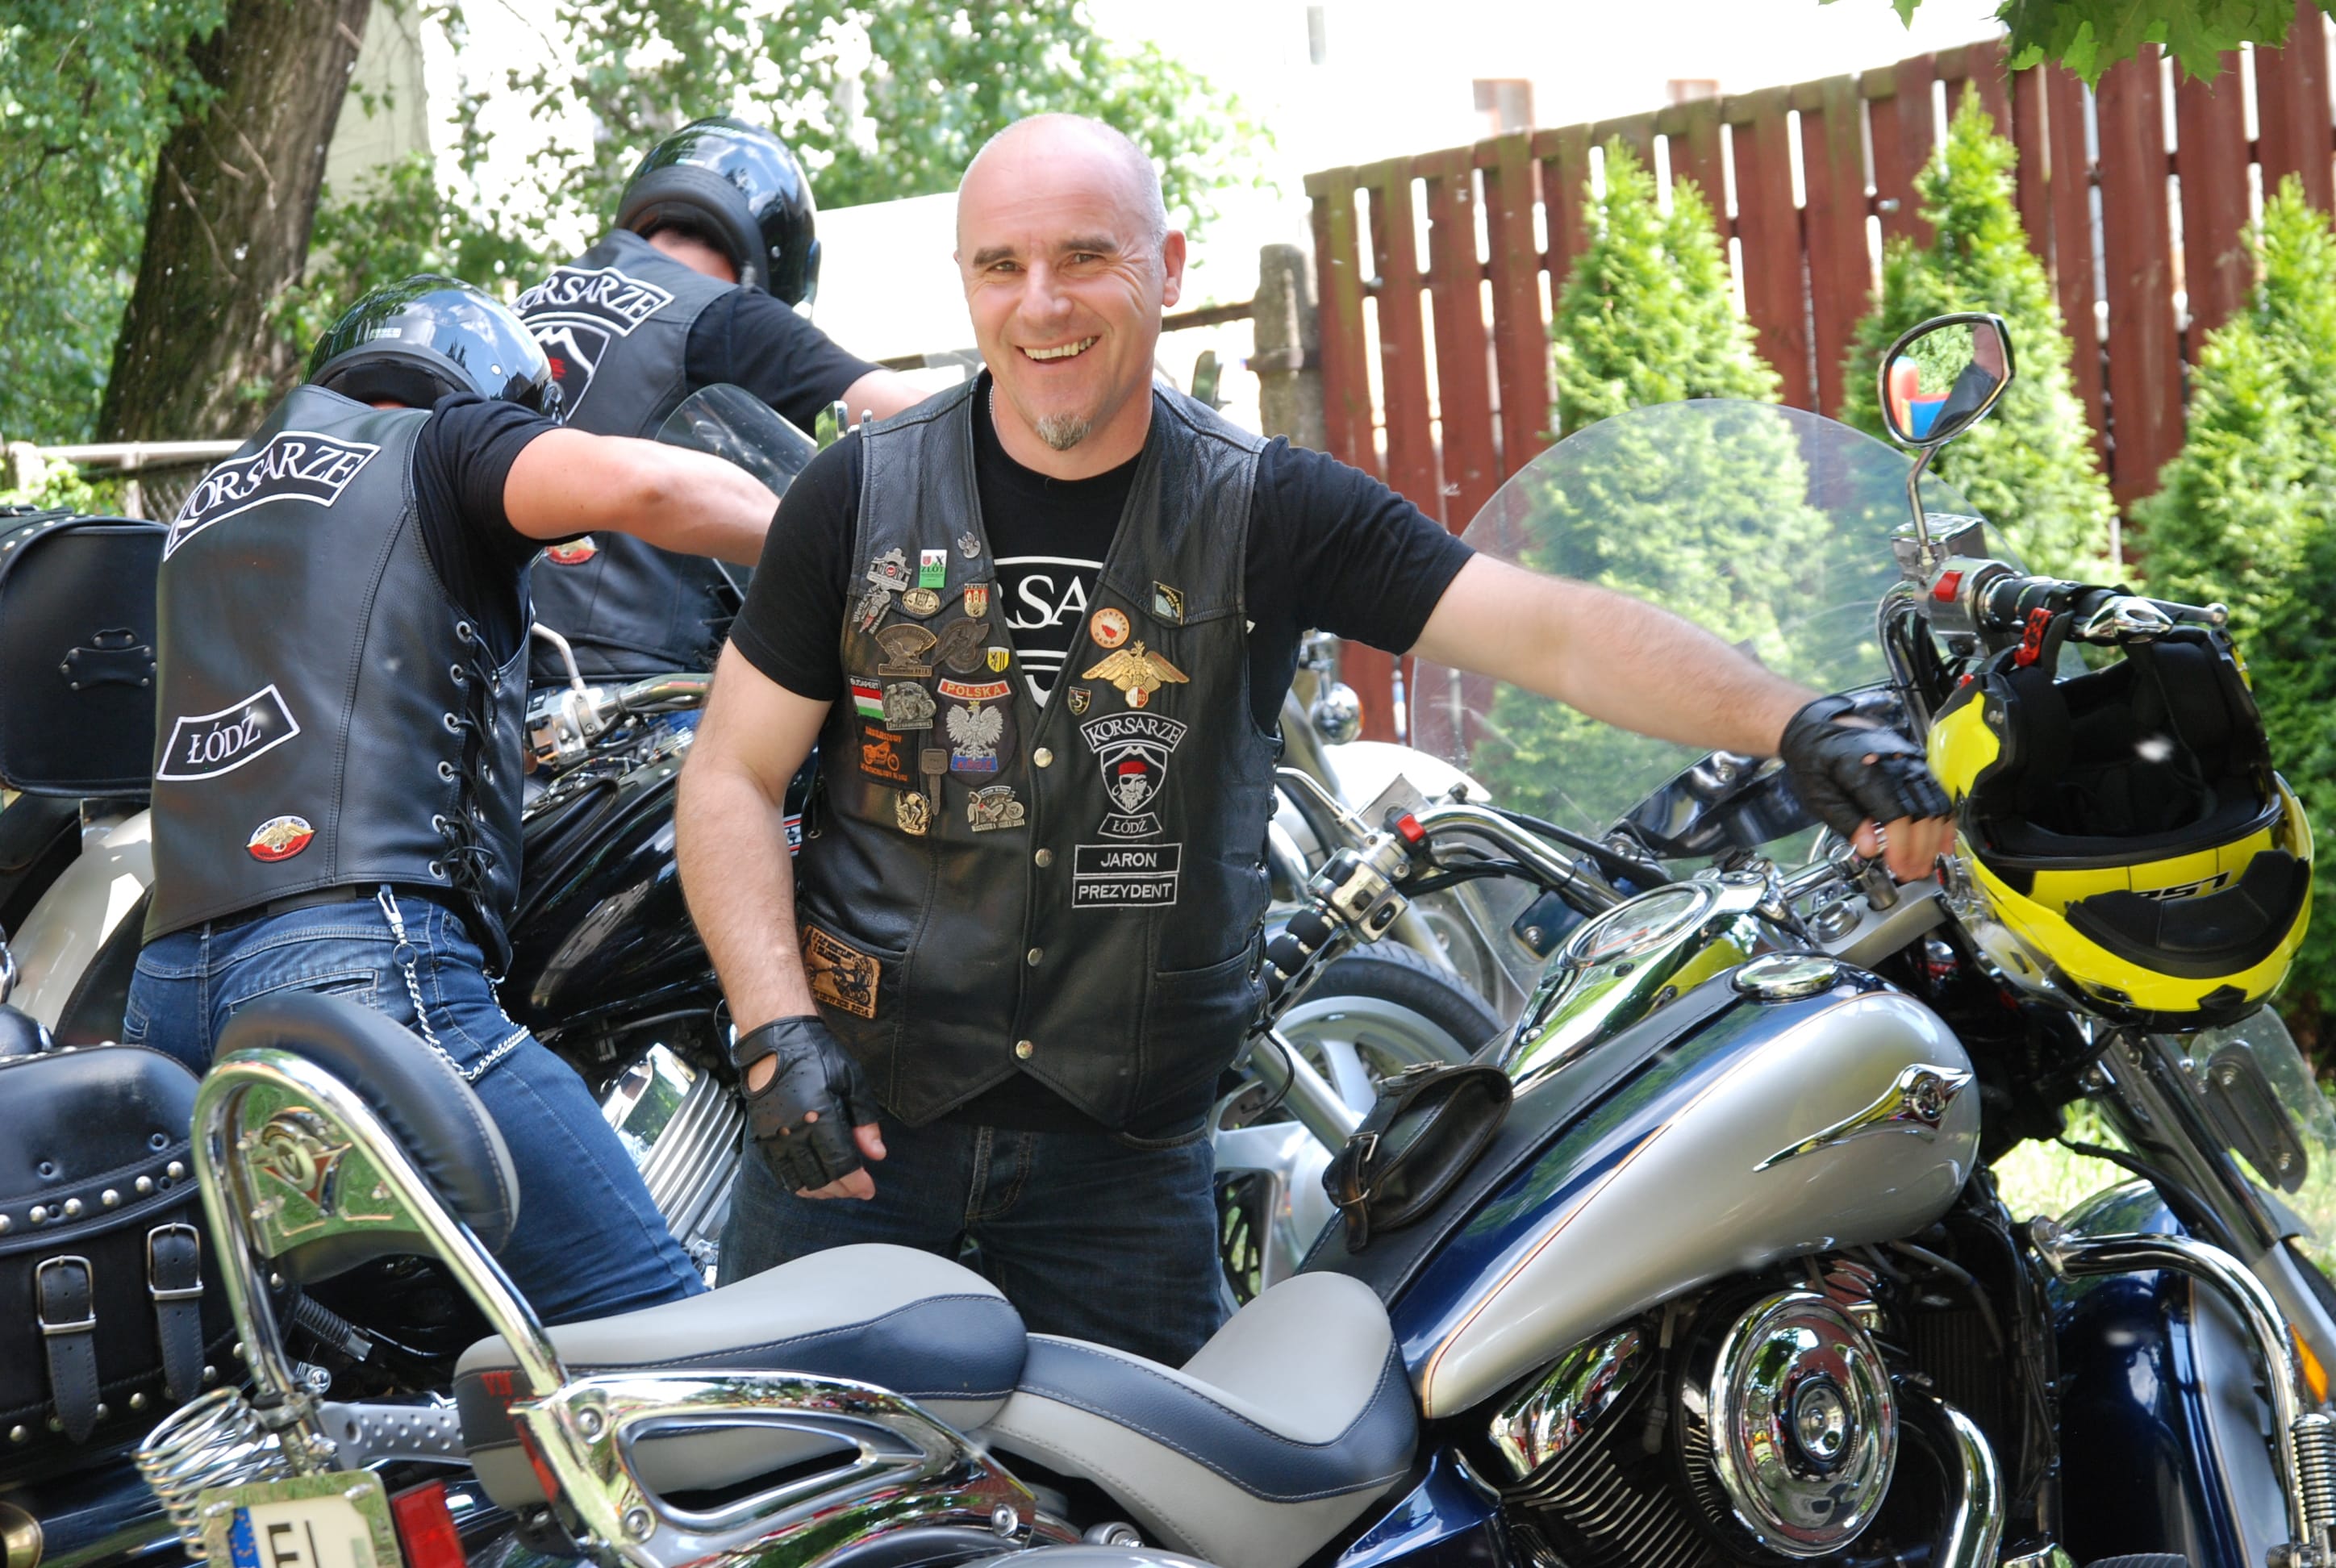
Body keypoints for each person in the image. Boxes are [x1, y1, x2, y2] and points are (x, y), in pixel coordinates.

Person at [674, 115, 1954, 1366]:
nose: (1041, 303)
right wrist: (775, 1030)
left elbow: (1552, 633)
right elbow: (733, 772)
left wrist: (1793, 720)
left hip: (1120, 1184)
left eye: (1085, 257)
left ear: (1170, 267)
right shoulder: (858, 495)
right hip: (858, 1145)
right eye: (1001, 266)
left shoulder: (1269, 508)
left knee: (1141, 1495)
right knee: (778, 1477)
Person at [127, 277, 782, 1326]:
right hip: (357, 964)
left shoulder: (213, 498)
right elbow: (651, 488)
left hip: (168, 991)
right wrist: (849, 550)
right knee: (654, 1322)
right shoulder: (446, 444)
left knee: (330, 1351)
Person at [518, 117, 924, 688]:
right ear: (782, 256)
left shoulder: (514, 316)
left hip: (492, 695)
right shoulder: (725, 316)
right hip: (640, 694)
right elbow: (922, 417)